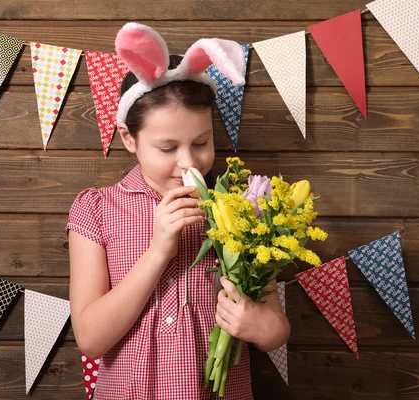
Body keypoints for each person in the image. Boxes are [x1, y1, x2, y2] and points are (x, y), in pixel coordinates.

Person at [67, 22, 290, 400]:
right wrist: (157, 251)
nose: (189, 162)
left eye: (201, 142)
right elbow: (90, 340)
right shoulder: (97, 209)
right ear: (129, 139)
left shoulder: (243, 207)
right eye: (167, 148)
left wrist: (259, 325)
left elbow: (275, 331)